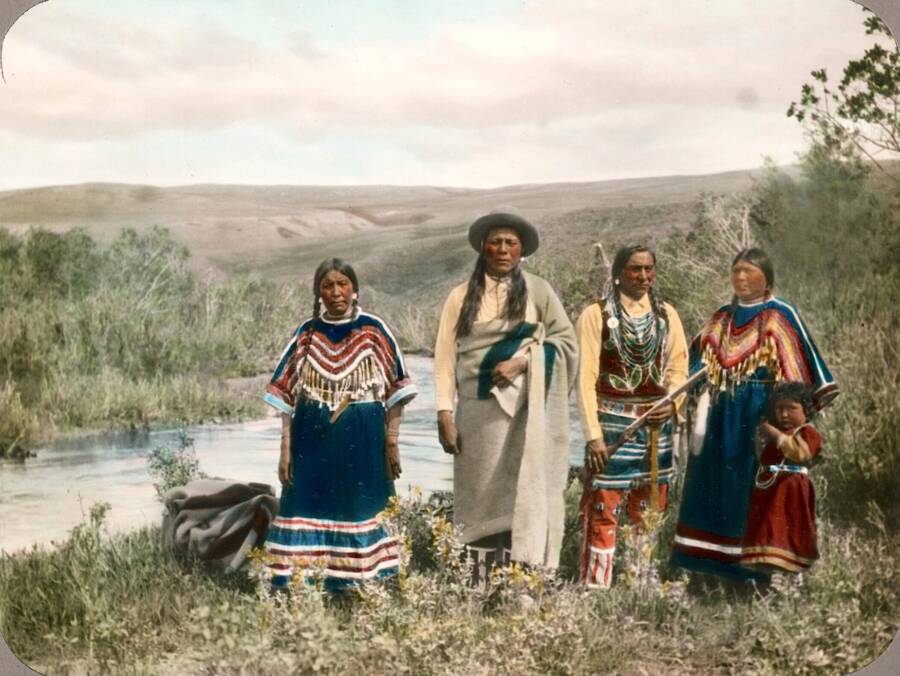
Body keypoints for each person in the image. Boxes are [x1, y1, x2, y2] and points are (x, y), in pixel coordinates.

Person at [671, 247, 838, 581]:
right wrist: (685, 389)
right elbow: (694, 361)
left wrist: (787, 423)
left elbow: (804, 373)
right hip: (720, 417)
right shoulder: (721, 316)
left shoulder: (780, 314)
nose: (741, 278)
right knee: (713, 484)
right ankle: (708, 569)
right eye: (736, 271)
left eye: (749, 272)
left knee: (754, 488)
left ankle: (754, 572)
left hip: (760, 417)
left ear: (768, 278)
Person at [433, 212, 577, 581]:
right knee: (478, 498)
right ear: (483, 247)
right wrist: (445, 413)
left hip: (524, 415)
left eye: (510, 243)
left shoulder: (539, 291)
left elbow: (566, 343)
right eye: (495, 242)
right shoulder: (460, 296)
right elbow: (445, 358)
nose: (502, 249)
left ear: (521, 250)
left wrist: (523, 362)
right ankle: (478, 585)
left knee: (521, 495)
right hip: (477, 416)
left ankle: (519, 583)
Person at [262, 258, 417, 592]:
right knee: (307, 503)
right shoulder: (306, 333)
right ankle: (306, 580)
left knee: (360, 506)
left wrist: (392, 441)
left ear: (354, 288)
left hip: (363, 439)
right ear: (319, 292)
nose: (336, 292)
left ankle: (363, 583)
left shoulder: (374, 330)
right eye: (327, 285)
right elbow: (284, 392)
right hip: (310, 440)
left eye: (342, 284)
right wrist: (285, 447)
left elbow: (397, 388)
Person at [575, 244, 688, 588]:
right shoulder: (595, 315)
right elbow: (584, 377)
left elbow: (679, 366)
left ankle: (640, 584)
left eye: (649, 269)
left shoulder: (667, 314)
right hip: (611, 424)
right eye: (635, 269)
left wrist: (673, 403)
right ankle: (596, 586)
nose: (643, 277)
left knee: (649, 508)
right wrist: (593, 434)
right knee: (603, 506)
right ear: (618, 273)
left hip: (657, 427)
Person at [741, 382, 822, 574]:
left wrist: (777, 436)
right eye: (779, 409)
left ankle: (790, 577)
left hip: (791, 490)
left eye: (791, 408)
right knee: (766, 532)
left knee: (788, 531)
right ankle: (767, 578)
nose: (784, 414)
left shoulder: (807, 432)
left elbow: (801, 454)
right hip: (769, 490)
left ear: (806, 411)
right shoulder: (775, 432)